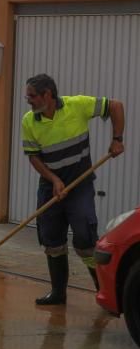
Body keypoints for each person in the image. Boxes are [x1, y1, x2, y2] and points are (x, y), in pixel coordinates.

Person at [21, 74, 124, 305]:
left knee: (85, 240)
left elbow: (116, 106)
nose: (28, 100)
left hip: (80, 184)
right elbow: (34, 157)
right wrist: (54, 180)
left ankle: (104, 292)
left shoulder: (76, 105)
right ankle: (58, 293)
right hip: (50, 187)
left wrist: (117, 139)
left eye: (32, 96)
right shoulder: (29, 121)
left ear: (48, 94)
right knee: (52, 241)